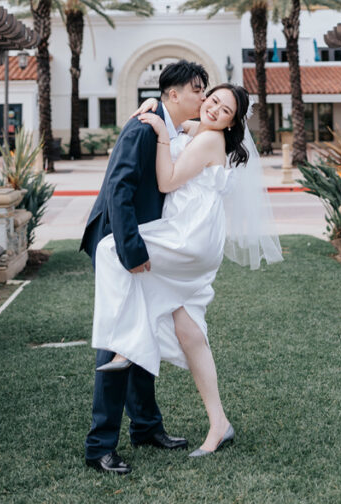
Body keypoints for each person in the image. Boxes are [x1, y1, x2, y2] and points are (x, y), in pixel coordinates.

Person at [90, 81, 282, 466]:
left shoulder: (211, 141)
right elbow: (178, 119)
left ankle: (125, 346)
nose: (213, 109)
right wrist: (155, 106)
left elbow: (167, 181)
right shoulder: (204, 131)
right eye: (212, 100)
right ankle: (218, 422)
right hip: (195, 235)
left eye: (224, 109)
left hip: (187, 236)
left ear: (232, 122)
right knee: (188, 330)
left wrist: (162, 135)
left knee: (112, 250)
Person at [80, 60, 208, 475]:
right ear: (173, 94)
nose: (202, 97)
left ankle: (146, 427)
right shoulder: (142, 127)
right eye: (197, 89)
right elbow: (119, 188)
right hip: (119, 244)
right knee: (119, 338)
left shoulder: (171, 129)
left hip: (145, 241)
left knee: (145, 328)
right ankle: (100, 446)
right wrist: (131, 251)